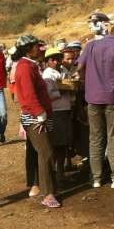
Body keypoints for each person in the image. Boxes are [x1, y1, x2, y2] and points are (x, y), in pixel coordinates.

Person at [77, 24, 114, 188]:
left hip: (93, 98)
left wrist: (87, 83)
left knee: (95, 137)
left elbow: (80, 67)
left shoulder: (91, 45)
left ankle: (96, 178)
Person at [13, 35, 60, 208]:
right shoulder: (25, 67)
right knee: (45, 152)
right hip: (35, 118)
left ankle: (50, 188)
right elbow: (28, 95)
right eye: (35, 46)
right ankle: (47, 194)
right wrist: (40, 113)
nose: (39, 49)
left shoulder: (29, 66)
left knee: (43, 152)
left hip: (37, 116)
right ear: (28, 49)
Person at [42, 48, 74, 183]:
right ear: (48, 61)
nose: (56, 62)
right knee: (58, 144)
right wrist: (62, 90)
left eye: (58, 59)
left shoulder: (63, 71)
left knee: (64, 143)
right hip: (56, 111)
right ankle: (57, 175)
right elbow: (48, 95)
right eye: (53, 59)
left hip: (66, 109)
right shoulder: (48, 74)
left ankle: (60, 172)